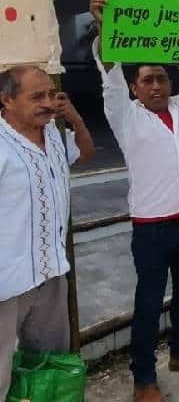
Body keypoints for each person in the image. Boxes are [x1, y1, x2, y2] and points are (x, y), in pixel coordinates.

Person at [90, 0, 179, 401]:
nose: (156, 86)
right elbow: (110, 73)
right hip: (152, 231)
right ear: (135, 88)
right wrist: (104, 29)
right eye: (147, 80)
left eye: (162, 78)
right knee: (149, 304)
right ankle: (143, 379)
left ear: (172, 83)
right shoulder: (125, 115)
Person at [0, 67, 95, 400]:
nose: (47, 103)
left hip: (51, 275)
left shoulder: (52, 133)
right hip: (6, 284)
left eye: (51, 94)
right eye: (36, 96)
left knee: (50, 365)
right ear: (7, 100)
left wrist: (76, 120)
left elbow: (85, 153)